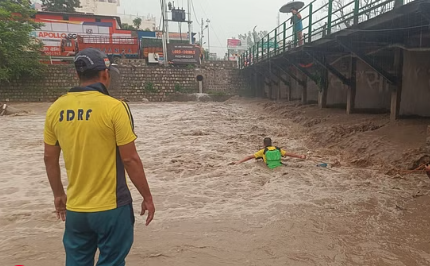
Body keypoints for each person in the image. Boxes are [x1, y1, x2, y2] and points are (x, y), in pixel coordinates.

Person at [44, 48, 155, 266]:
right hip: (112, 208)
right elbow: (130, 159)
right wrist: (147, 197)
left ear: (78, 75)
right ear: (105, 73)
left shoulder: (55, 108)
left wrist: (58, 195)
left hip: (76, 209)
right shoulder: (115, 107)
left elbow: (49, 158)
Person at [233, 137, 306, 169]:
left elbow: (249, 157)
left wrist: (238, 162)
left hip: (269, 167)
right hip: (280, 166)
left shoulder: (262, 151)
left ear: (264, 144)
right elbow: (289, 154)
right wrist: (300, 156)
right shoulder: (277, 149)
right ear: (271, 143)